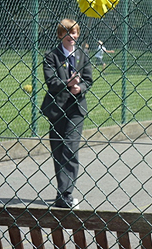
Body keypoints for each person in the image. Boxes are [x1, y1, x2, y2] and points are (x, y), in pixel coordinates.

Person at [40, 19, 93, 208]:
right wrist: (67, 84)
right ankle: (62, 190)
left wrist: (80, 88)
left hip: (76, 109)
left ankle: (65, 195)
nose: (73, 37)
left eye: (75, 33)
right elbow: (51, 82)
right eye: (68, 33)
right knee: (59, 151)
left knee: (70, 148)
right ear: (61, 35)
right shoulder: (51, 56)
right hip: (57, 109)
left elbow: (88, 79)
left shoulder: (82, 55)